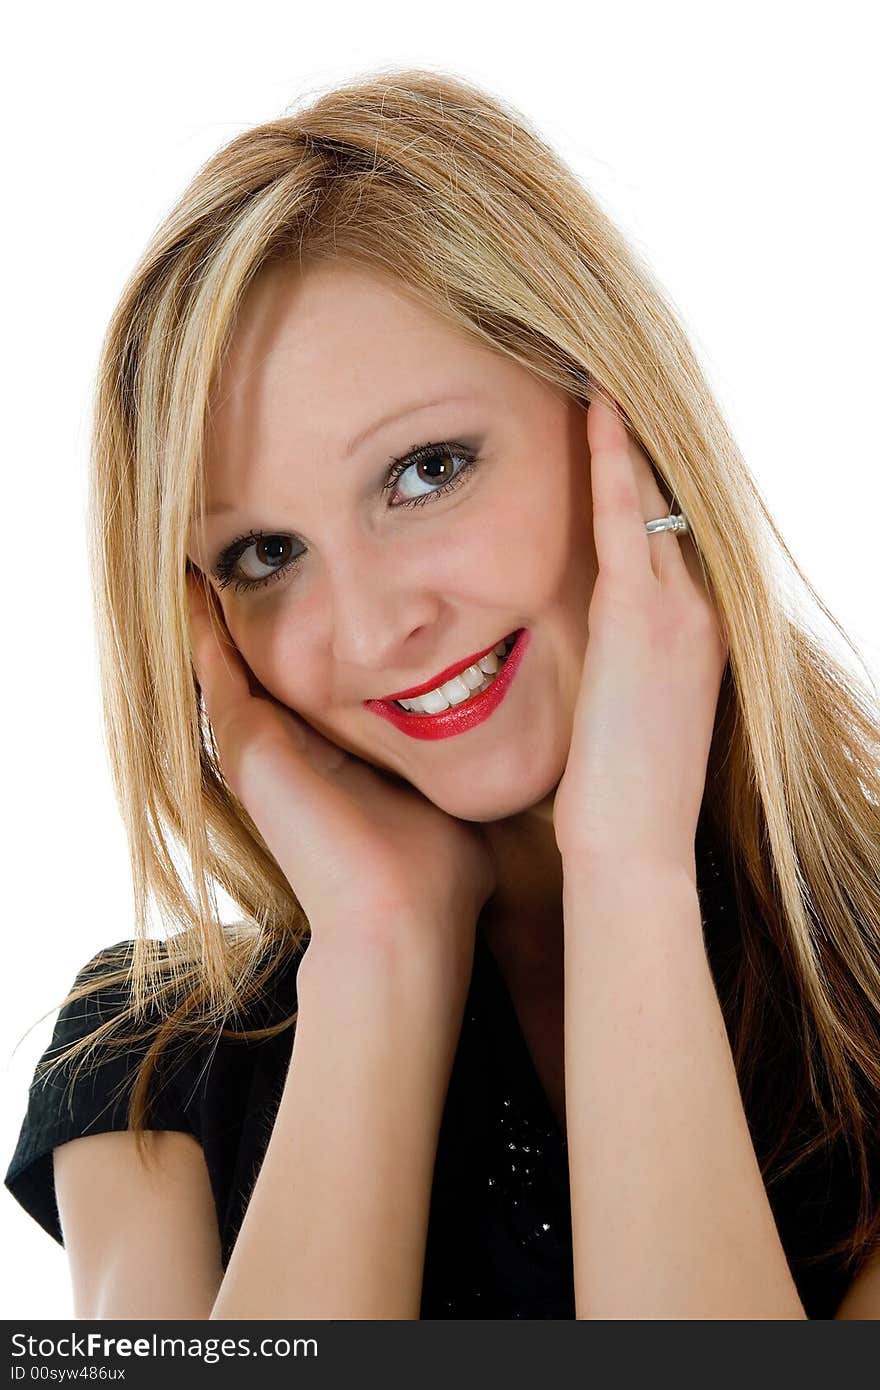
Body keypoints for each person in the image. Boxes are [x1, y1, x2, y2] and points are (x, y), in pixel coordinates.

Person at [5, 66, 880, 1321]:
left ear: (618, 426)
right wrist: (380, 948)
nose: (370, 629)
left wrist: (624, 866)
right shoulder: (143, 1082)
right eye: (265, 554)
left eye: (426, 471)